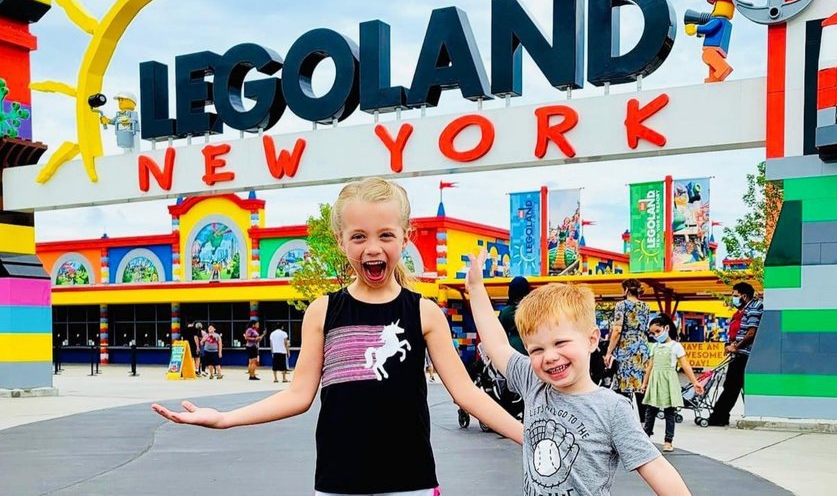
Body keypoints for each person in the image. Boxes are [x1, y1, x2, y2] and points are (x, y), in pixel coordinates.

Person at [152, 177, 522, 496]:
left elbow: (466, 392)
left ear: (406, 238)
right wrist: (225, 419)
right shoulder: (323, 311)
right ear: (341, 241)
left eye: (386, 235)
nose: (372, 247)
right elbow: (298, 395)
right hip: (339, 481)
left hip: (411, 480)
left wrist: (528, 435)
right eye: (358, 236)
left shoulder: (423, 311)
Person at [466, 250, 692, 496]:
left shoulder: (612, 408)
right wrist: (477, 289)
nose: (550, 356)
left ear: (592, 340)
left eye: (560, 343)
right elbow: (497, 344)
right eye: (537, 349)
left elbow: (655, 467)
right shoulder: (532, 381)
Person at [641, 317, 703, 452]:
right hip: (655, 382)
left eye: (658, 331)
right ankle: (646, 437)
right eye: (653, 333)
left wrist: (695, 382)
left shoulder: (676, 346)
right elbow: (649, 367)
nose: (656, 335)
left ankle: (668, 441)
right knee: (650, 411)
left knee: (670, 412)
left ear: (666, 328)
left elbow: (685, 365)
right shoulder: (654, 347)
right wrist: (644, 383)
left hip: (669, 381)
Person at [708, 282, 763, 426]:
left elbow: (751, 333)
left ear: (744, 296)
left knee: (731, 387)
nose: (734, 299)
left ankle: (718, 417)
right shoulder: (747, 309)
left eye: (735, 296)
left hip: (744, 354)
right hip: (740, 353)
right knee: (737, 387)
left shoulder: (754, 309)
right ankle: (724, 416)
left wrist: (736, 347)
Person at [603, 278, 651, 420]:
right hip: (642, 345)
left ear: (625, 290)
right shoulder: (645, 306)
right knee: (640, 384)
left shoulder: (621, 305)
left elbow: (617, 330)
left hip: (626, 346)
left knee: (624, 384)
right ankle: (644, 422)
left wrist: (609, 352)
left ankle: (625, 419)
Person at [498, 276, 531, 355]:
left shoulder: (506, 312)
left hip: (512, 349)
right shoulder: (532, 309)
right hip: (529, 345)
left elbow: (500, 334)